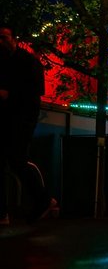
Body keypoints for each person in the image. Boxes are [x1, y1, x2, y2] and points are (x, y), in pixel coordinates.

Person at [0, 26, 51, 225]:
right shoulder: (15, 62)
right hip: (13, 119)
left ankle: (41, 199)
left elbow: (34, 93)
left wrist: (10, 94)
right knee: (14, 161)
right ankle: (40, 200)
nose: (1, 42)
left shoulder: (28, 63)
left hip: (19, 119)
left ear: (14, 38)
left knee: (16, 160)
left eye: (4, 38)